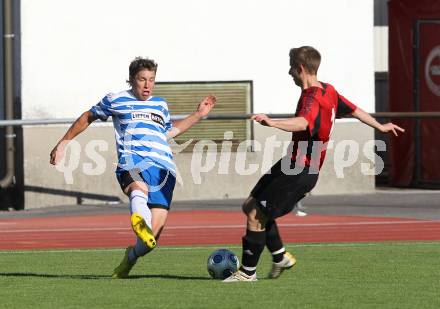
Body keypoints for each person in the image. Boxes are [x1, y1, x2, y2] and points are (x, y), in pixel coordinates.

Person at [223, 46, 404, 282]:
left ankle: (247, 273)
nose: (289, 72)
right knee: (251, 206)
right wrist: (380, 126)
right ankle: (280, 257)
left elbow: (302, 122)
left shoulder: (313, 97)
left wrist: (272, 122)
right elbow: (354, 110)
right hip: (292, 163)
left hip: (300, 169)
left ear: (300, 68)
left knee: (257, 215)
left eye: (291, 67)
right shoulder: (329, 91)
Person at [49, 57, 216, 278]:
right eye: (142, 79)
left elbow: (167, 133)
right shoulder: (116, 100)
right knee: (138, 189)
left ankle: (131, 256)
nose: (147, 85)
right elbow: (87, 117)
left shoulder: (160, 104)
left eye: (151, 80)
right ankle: (140, 221)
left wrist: (198, 116)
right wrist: (64, 143)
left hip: (164, 168)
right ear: (131, 80)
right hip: (132, 160)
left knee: (150, 241)